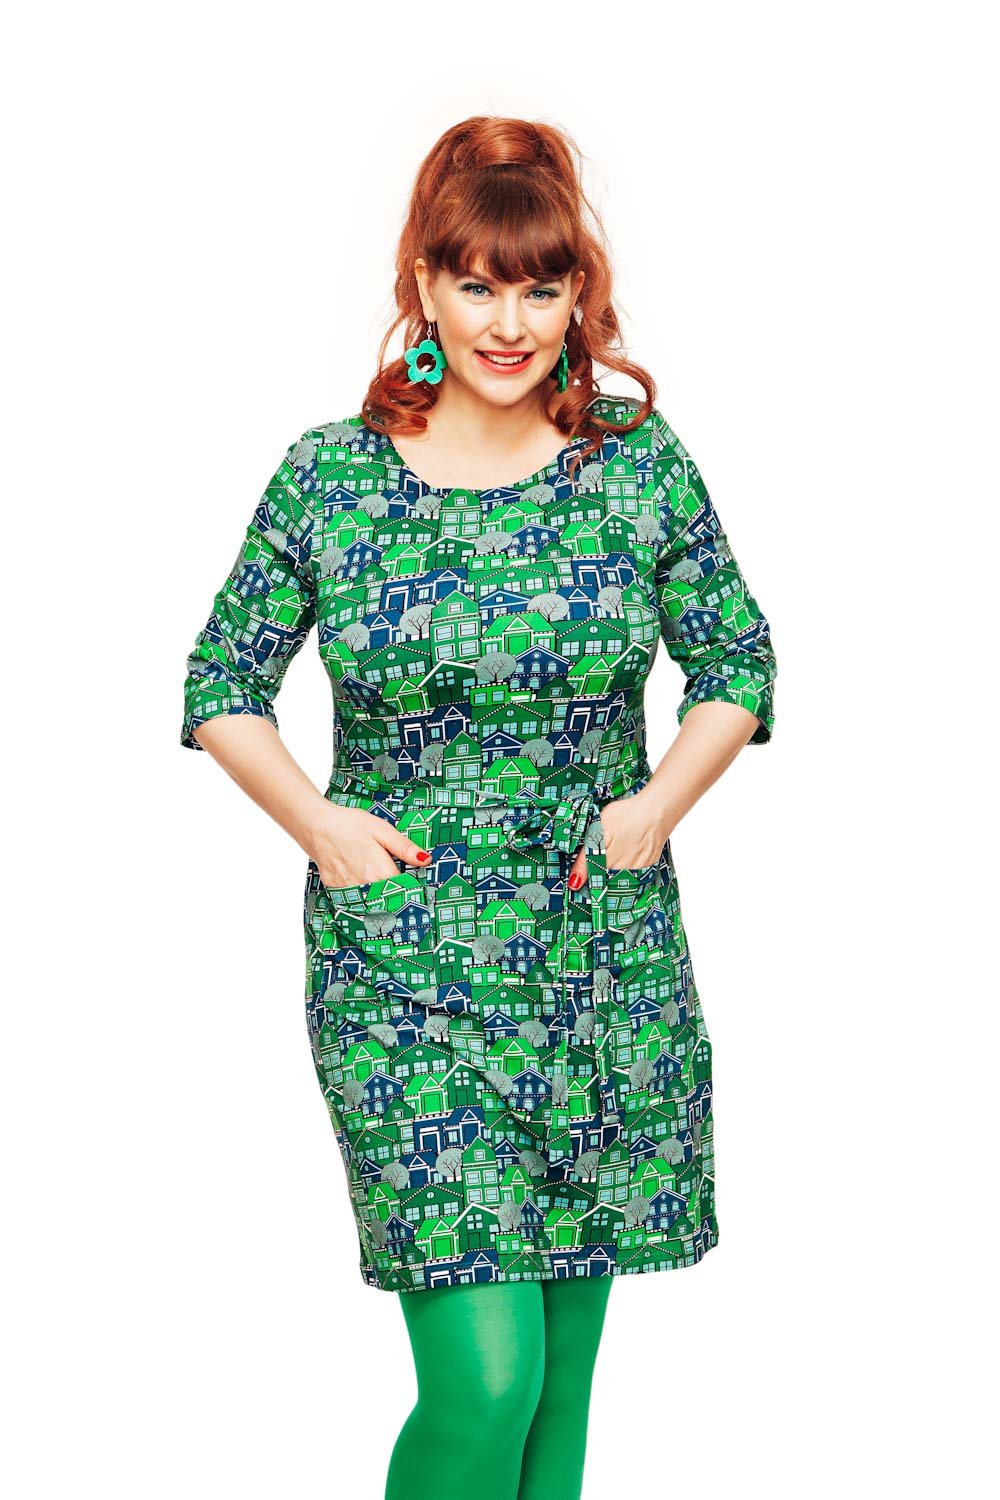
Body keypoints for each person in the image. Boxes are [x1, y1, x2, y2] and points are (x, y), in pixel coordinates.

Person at [179, 115, 777, 1500]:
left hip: (599, 966)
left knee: (556, 1396)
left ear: (577, 299)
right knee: (485, 1382)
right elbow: (220, 685)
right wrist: (322, 825)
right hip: (403, 969)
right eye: (476, 286)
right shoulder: (330, 476)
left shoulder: (634, 464)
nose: (509, 324)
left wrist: (655, 810)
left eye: (540, 289)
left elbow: (737, 664)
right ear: (424, 288)